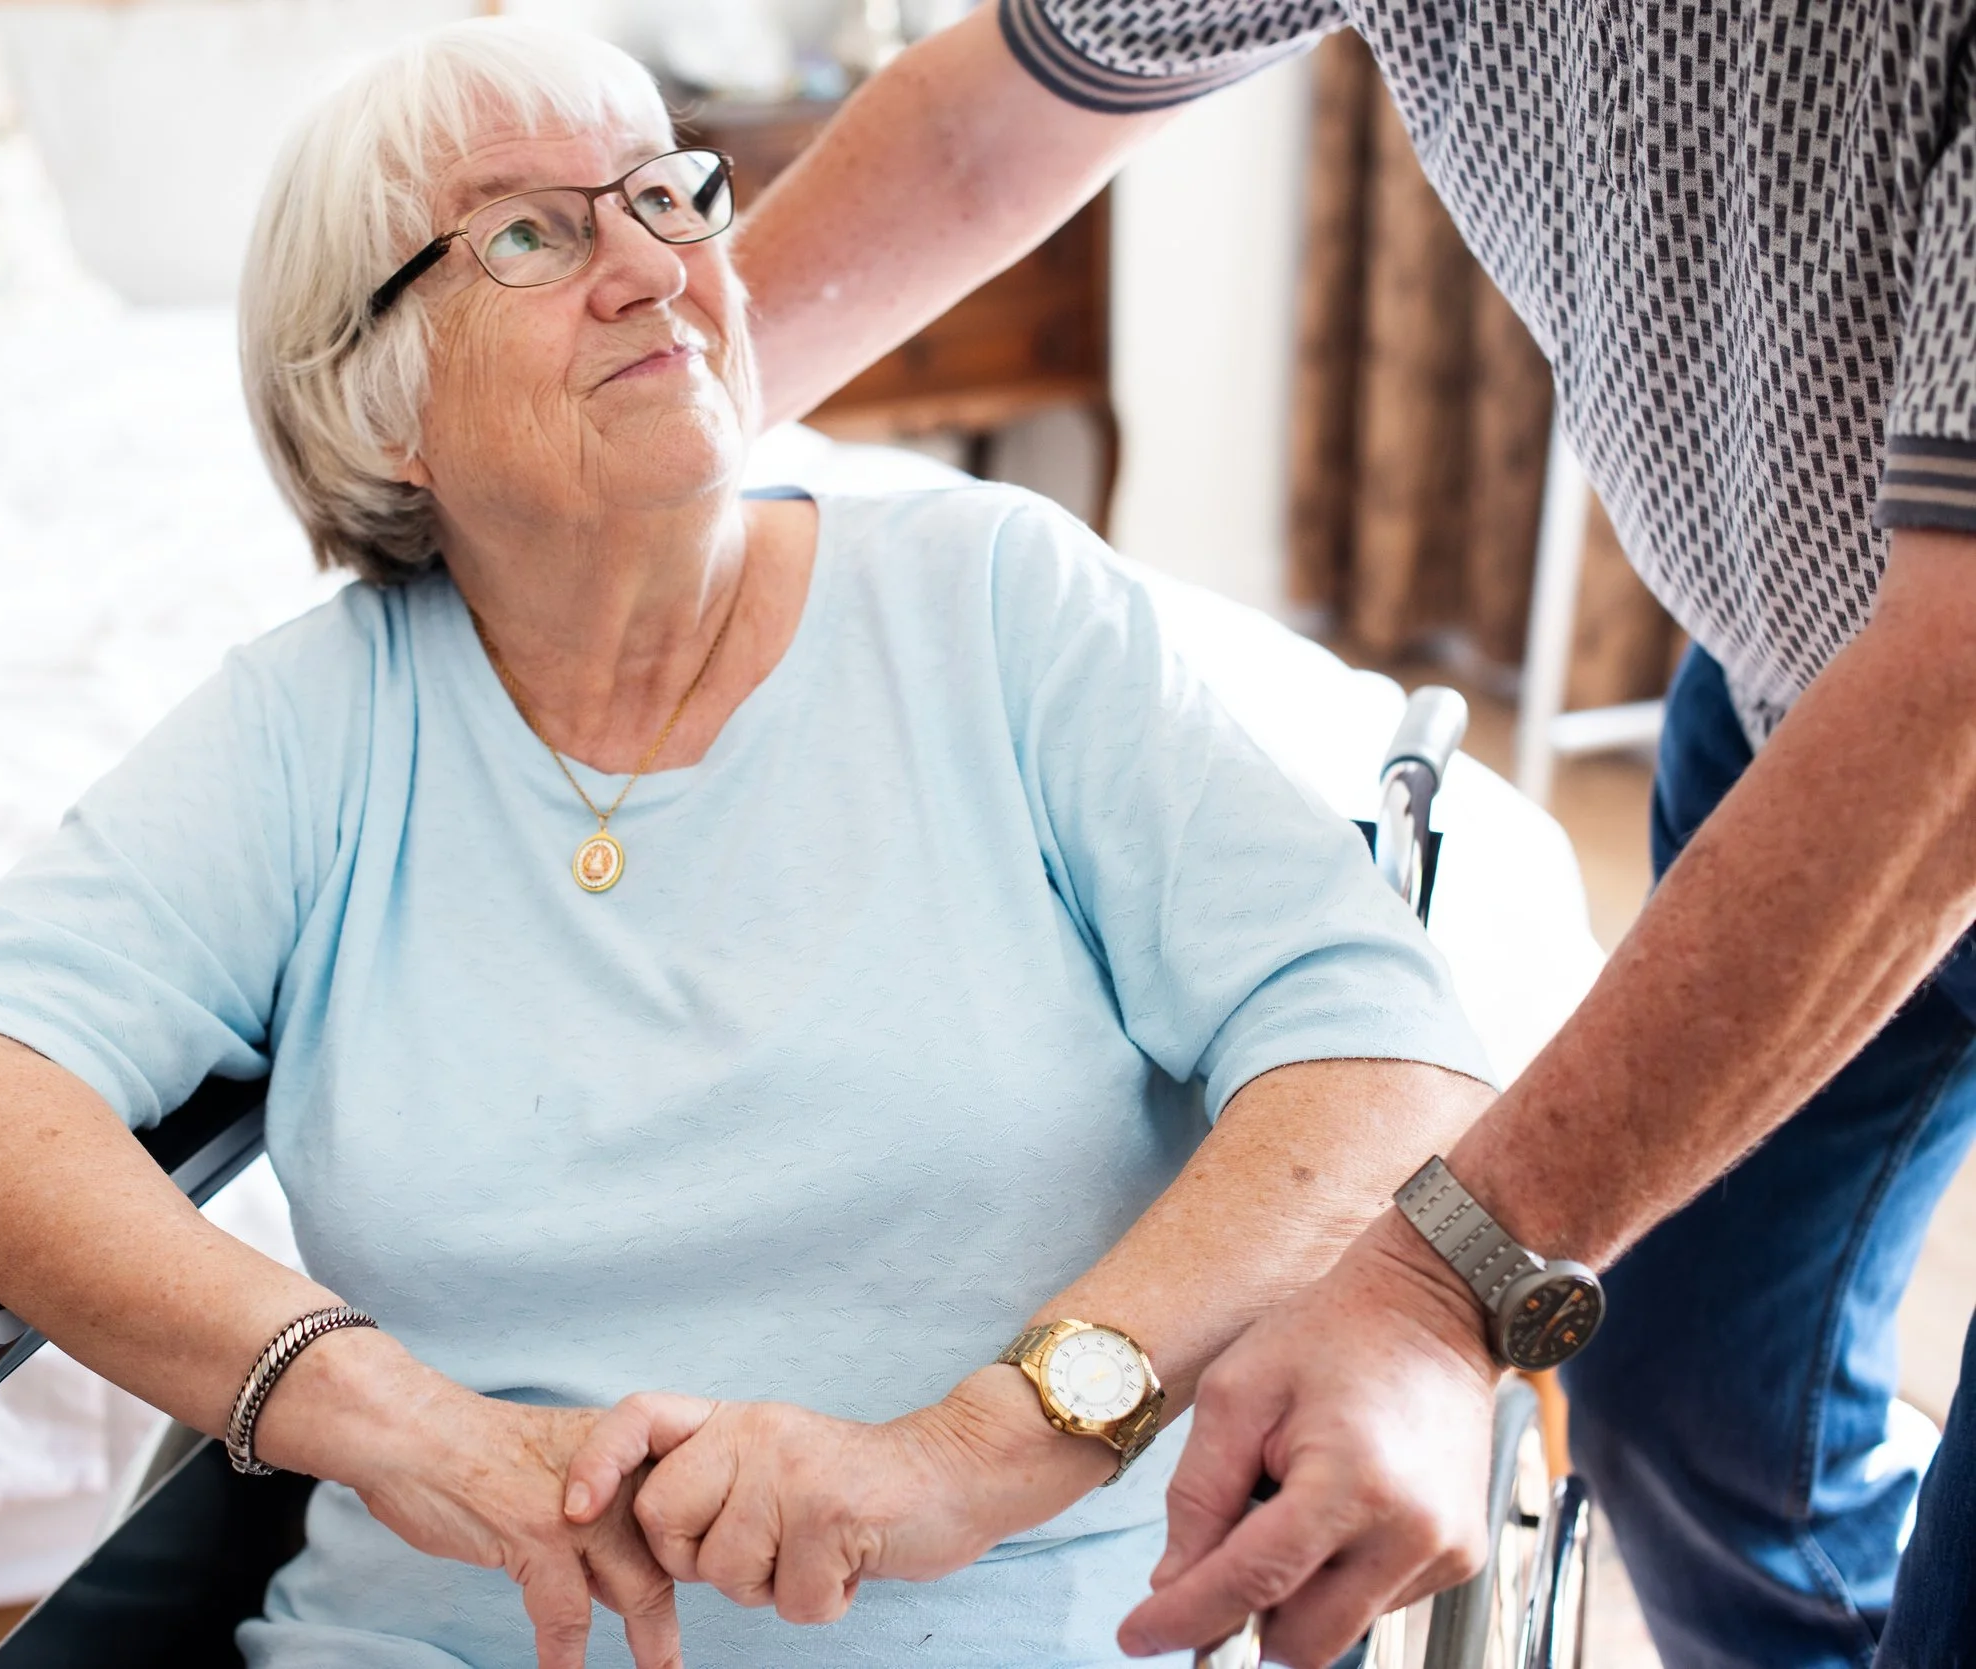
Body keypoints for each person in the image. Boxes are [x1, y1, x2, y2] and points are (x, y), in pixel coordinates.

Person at [0, 19, 1503, 1668]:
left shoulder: (992, 608)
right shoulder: (318, 727)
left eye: (666, 197)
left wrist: (980, 1446)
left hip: (1010, 1617)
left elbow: (1383, 1052)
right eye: (531, 235)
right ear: (378, 401)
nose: (649, 266)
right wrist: (394, 1422)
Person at [715, 2, 1976, 1664]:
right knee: (1683, 1417)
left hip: (1927, 712)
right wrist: (673, 419)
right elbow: (988, 120)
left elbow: (1956, 701)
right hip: (1796, 694)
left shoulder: (1013, 600)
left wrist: (1444, 1278)